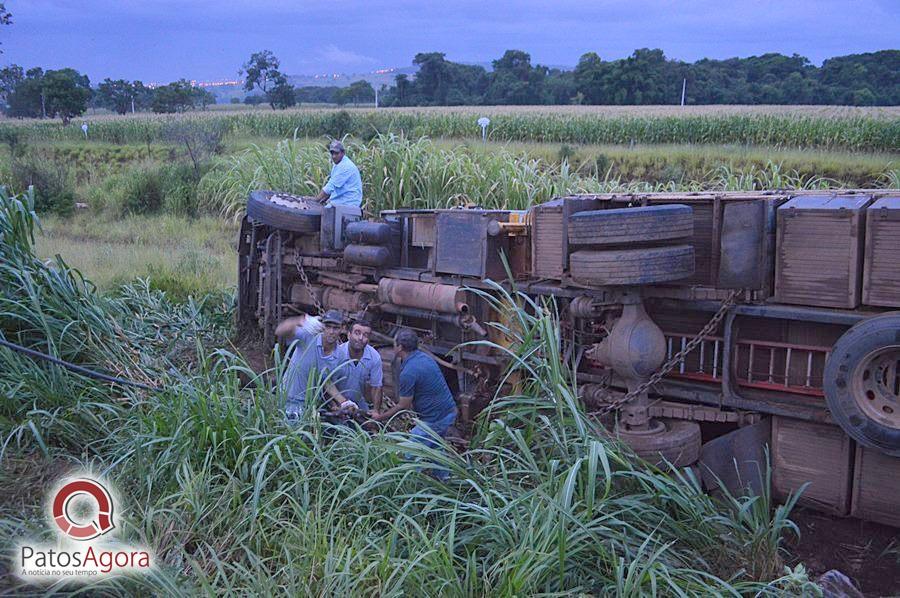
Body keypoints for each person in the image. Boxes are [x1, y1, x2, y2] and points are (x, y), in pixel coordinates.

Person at [371, 328, 457, 478]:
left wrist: (381, 417)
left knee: (410, 453)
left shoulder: (409, 372)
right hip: (448, 411)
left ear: (399, 347)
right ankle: (443, 479)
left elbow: (404, 405)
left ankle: (408, 484)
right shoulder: (424, 358)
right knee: (436, 448)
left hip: (434, 419)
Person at [276, 309, 348, 421]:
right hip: (288, 398)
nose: (331, 331)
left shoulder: (340, 355)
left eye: (336, 328)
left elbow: (327, 382)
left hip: (310, 404)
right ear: (322, 326)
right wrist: (301, 320)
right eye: (327, 327)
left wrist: (343, 402)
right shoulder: (308, 336)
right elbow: (280, 330)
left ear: (342, 329)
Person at [334, 315, 383, 412]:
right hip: (336, 401)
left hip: (358, 402)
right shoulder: (337, 354)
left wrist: (376, 411)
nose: (361, 338)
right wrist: (335, 404)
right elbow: (328, 384)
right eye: (357, 333)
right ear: (348, 335)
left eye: (365, 335)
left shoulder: (374, 357)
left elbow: (376, 386)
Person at [314, 140, 362, 208]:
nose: (333, 156)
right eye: (332, 153)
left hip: (348, 204)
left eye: (336, 153)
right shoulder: (337, 164)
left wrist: (314, 200)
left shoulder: (345, 166)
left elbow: (330, 187)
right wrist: (321, 200)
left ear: (343, 153)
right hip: (340, 201)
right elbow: (332, 189)